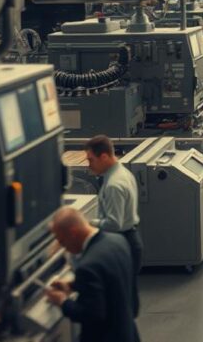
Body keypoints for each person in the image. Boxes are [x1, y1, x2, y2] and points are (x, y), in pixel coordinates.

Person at [44, 207, 140, 342]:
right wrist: (73, 285)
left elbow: (91, 315)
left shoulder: (88, 266)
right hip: (126, 333)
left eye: (62, 241)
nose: (63, 247)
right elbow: (110, 283)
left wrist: (62, 301)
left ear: (73, 233)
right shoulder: (117, 240)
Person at [84, 135, 141, 316]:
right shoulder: (123, 173)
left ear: (104, 157)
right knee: (128, 301)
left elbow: (114, 223)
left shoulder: (114, 185)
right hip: (130, 239)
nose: (89, 165)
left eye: (91, 160)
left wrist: (87, 223)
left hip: (122, 241)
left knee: (121, 306)